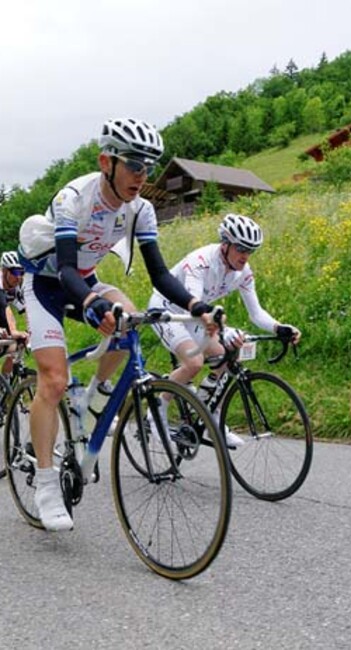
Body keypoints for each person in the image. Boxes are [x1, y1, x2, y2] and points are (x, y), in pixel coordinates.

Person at [18, 117, 214, 532]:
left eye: (149, 168)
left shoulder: (140, 209)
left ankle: (94, 396)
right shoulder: (76, 197)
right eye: (134, 165)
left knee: (129, 320)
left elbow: (160, 275)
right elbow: (67, 269)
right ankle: (47, 483)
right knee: (52, 380)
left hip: (84, 279)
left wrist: (198, 305)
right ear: (107, 161)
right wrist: (89, 303)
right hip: (49, 282)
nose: (142, 177)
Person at [148, 213, 301, 446]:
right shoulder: (201, 262)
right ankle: (156, 412)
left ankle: (211, 418)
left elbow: (256, 312)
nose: (245, 256)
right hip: (171, 311)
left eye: (251, 250)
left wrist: (279, 327)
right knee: (194, 363)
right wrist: (224, 330)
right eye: (241, 248)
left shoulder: (244, 272)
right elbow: (194, 305)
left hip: (199, 317)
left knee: (227, 357)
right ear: (225, 244)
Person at [0, 251, 28, 375]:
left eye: (21, 272)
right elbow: (5, 308)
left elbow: (27, 311)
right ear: (4, 271)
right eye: (16, 272)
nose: (19, 277)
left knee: (15, 346)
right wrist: (13, 331)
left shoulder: (17, 287)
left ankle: (5, 384)